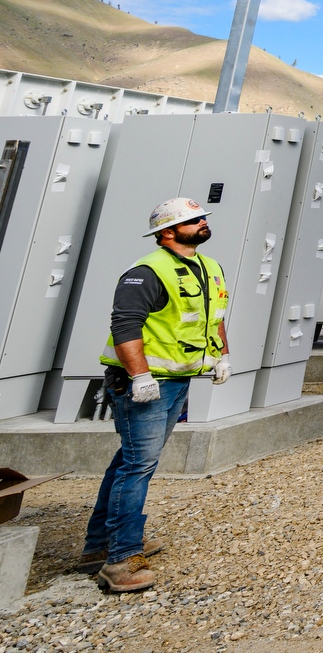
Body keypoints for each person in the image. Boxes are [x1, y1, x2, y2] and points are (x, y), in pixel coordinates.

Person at [83, 198, 231, 594]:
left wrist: (222, 357)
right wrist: (140, 375)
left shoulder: (208, 267)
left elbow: (213, 319)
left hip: (176, 381)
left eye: (201, 218)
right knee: (137, 466)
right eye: (192, 220)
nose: (202, 223)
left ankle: (99, 545)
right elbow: (125, 324)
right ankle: (121, 559)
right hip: (144, 385)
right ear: (167, 233)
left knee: (130, 461)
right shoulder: (147, 271)